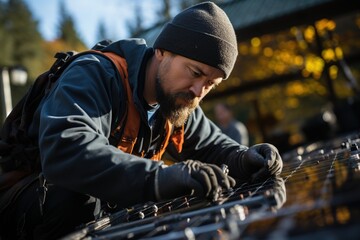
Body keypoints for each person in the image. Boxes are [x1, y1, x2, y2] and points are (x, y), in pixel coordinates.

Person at [0, 2, 283, 239]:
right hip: (22, 208)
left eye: (211, 84)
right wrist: (159, 178)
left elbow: (213, 147)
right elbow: (66, 148)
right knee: (80, 197)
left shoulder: (176, 101)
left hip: (88, 214)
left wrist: (246, 159)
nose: (199, 92)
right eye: (195, 73)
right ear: (161, 51)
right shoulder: (95, 75)